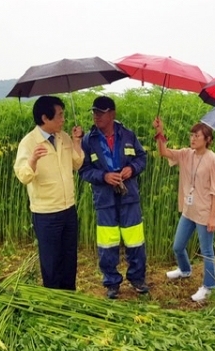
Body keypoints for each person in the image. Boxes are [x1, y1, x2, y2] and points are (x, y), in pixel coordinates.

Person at [79, 96, 149, 299]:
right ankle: (111, 282)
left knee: (135, 240)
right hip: (105, 200)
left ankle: (137, 279)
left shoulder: (127, 135)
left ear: (112, 114)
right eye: (94, 112)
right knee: (107, 243)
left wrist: (131, 169)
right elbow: (83, 171)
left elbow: (141, 158)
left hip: (129, 198)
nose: (96, 116)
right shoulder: (88, 140)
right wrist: (103, 176)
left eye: (100, 112)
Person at [13, 95, 84, 290]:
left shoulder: (64, 138)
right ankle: (52, 300)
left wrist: (77, 142)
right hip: (46, 213)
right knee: (51, 261)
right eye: (60, 115)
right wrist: (33, 160)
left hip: (68, 208)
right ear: (45, 118)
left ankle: (69, 295)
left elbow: (77, 164)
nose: (63, 119)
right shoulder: (29, 143)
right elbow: (23, 176)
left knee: (69, 256)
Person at [153, 117, 215, 302]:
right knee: (178, 246)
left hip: (204, 212)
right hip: (188, 210)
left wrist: (213, 216)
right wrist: (160, 132)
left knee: (207, 251)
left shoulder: (213, 160)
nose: (192, 139)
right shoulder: (186, 154)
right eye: (191, 135)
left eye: (197, 136)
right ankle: (185, 270)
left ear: (207, 139)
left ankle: (209, 286)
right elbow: (164, 152)